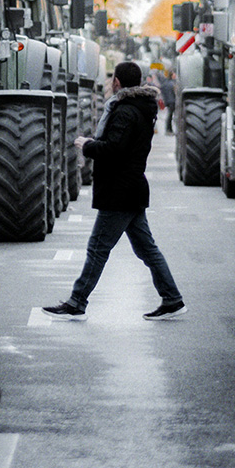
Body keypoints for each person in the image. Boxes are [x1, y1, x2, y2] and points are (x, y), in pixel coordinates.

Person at [42, 61, 186, 321]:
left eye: (113, 81)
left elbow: (114, 149)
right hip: (132, 188)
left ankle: (77, 302)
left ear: (117, 82)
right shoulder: (143, 107)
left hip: (120, 190)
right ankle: (172, 298)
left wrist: (88, 145)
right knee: (147, 249)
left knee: (98, 248)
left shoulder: (124, 111)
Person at [155, 64, 176, 134]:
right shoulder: (172, 83)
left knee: (169, 116)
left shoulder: (165, 83)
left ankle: (169, 129)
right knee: (170, 116)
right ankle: (168, 130)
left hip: (168, 101)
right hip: (172, 101)